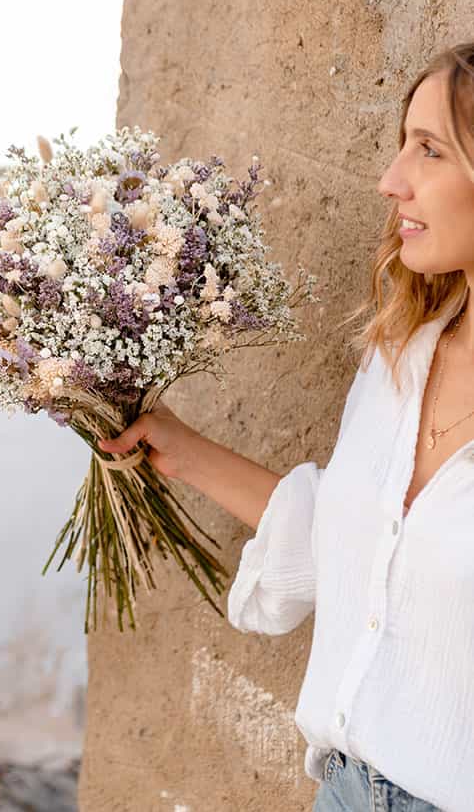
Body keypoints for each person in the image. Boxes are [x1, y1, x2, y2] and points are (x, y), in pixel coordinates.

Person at [97, 41, 474, 811]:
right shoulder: (397, 358)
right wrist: (179, 446)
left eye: (428, 149)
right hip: (340, 792)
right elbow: (347, 539)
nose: (390, 180)